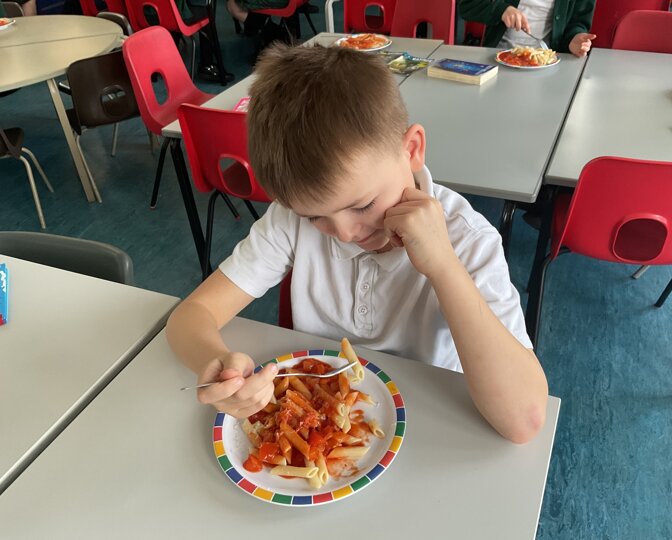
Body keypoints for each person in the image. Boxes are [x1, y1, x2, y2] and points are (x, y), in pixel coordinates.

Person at [166, 45, 549, 444]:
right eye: (315, 217)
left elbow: (524, 420)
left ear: (411, 150)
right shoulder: (290, 219)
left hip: (431, 430)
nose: (346, 233)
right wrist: (217, 363)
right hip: (325, 421)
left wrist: (443, 266)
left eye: (363, 205)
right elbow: (190, 316)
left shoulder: (468, 240)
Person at [459, 0, 596, 57]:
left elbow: (578, 21)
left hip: (548, 61)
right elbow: (467, 6)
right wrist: (501, 9)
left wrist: (573, 39)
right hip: (498, 56)